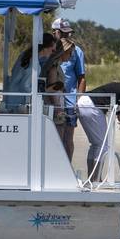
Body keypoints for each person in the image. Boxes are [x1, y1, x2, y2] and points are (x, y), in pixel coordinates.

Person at [53, 18, 86, 159]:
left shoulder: (76, 51)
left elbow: (82, 78)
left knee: (67, 138)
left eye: (69, 33)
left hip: (69, 102)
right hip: (52, 101)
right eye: (64, 33)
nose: (67, 37)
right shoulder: (49, 49)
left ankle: (68, 171)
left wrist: (79, 100)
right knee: (53, 138)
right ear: (55, 32)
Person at [2, 33, 57, 112]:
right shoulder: (34, 65)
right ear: (45, 48)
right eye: (53, 50)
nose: (53, 53)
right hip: (18, 104)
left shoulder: (24, 55)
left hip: (10, 98)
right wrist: (46, 90)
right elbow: (25, 87)